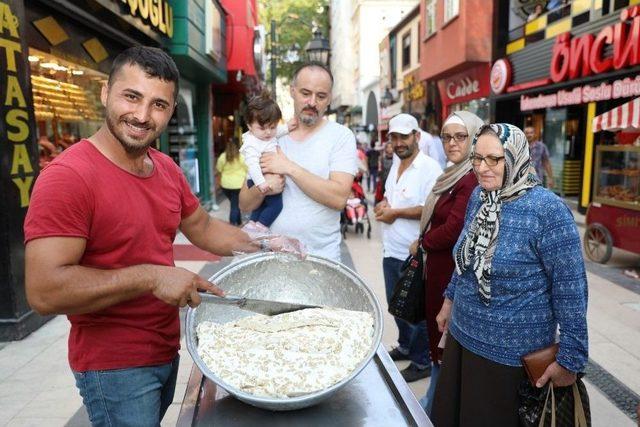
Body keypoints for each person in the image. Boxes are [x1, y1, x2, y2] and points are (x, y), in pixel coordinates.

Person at [23, 46, 300, 426]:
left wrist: (266, 242)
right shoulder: (68, 178)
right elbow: (43, 290)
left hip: (165, 348)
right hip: (113, 366)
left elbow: (203, 228)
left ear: (171, 111)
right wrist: (152, 276)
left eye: (158, 105)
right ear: (106, 94)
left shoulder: (166, 168)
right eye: (131, 97)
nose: (141, 115)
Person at [432, 123, 588, 426]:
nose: (482, 167)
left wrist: (570, 359)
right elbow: (466, 258)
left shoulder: (548, 211)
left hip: (510, 358)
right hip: (463, 340)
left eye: (494, 159)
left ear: (516, 157)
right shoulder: (479, 197)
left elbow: (571, 290)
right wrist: (449, 300)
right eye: (477, 158)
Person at [239, 62, 357, 262]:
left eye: (321, 96)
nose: (312, 102)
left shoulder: (341, 136)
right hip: (269, 258)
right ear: (292, 91)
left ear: (329, 98)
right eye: (305, 93)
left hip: (319, 258)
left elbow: (338, 199)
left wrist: (289, 167)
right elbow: (244, 203)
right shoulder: (270, 136)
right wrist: (265, 187)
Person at [409, 110, 484, 415]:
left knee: (444, 340)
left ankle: (432, 409)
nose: (452, 143)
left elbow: (456, 229)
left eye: (460, 136)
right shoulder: (452, 173)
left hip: (450, 274)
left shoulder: (470, 178)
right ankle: (434, 405)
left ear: (475, 137)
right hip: (439, 270)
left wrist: (423, 243)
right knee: (439, 340)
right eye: (446, 137)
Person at [374, 113, 442, 382]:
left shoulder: (429, 168)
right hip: (390, 249)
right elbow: (391, 196)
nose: (399, 142)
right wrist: (383, 205)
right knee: (396, 303)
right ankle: (405, 346)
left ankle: (422, 360)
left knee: (416, 309)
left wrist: (396, 214)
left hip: (413, 252)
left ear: (416, 136)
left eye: (404, 136)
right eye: (394, 137)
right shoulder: (396, 163)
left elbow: (431, 208)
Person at [240, 91, 297, 232]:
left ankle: (252, 223)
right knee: (276, 206)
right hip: (258, 179)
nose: (268, 132)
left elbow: (278, 132)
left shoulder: (267, 135)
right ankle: (261, 225)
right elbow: (252, 165)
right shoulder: (251, 143)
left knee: (262, 205)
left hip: (263, 179)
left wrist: (289, 127)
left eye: (272, 127)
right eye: (262, 128)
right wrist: (261, 183)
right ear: (249, 126)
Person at [216, 137, 247, 225]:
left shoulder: (222, 157)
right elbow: (248, 169)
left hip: (226, 185)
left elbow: (219, 169)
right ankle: (233, 225)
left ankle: (239, 222)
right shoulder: (241, 157)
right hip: (238, 185)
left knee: (235, 204)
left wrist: (219, 182)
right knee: (235, 205)